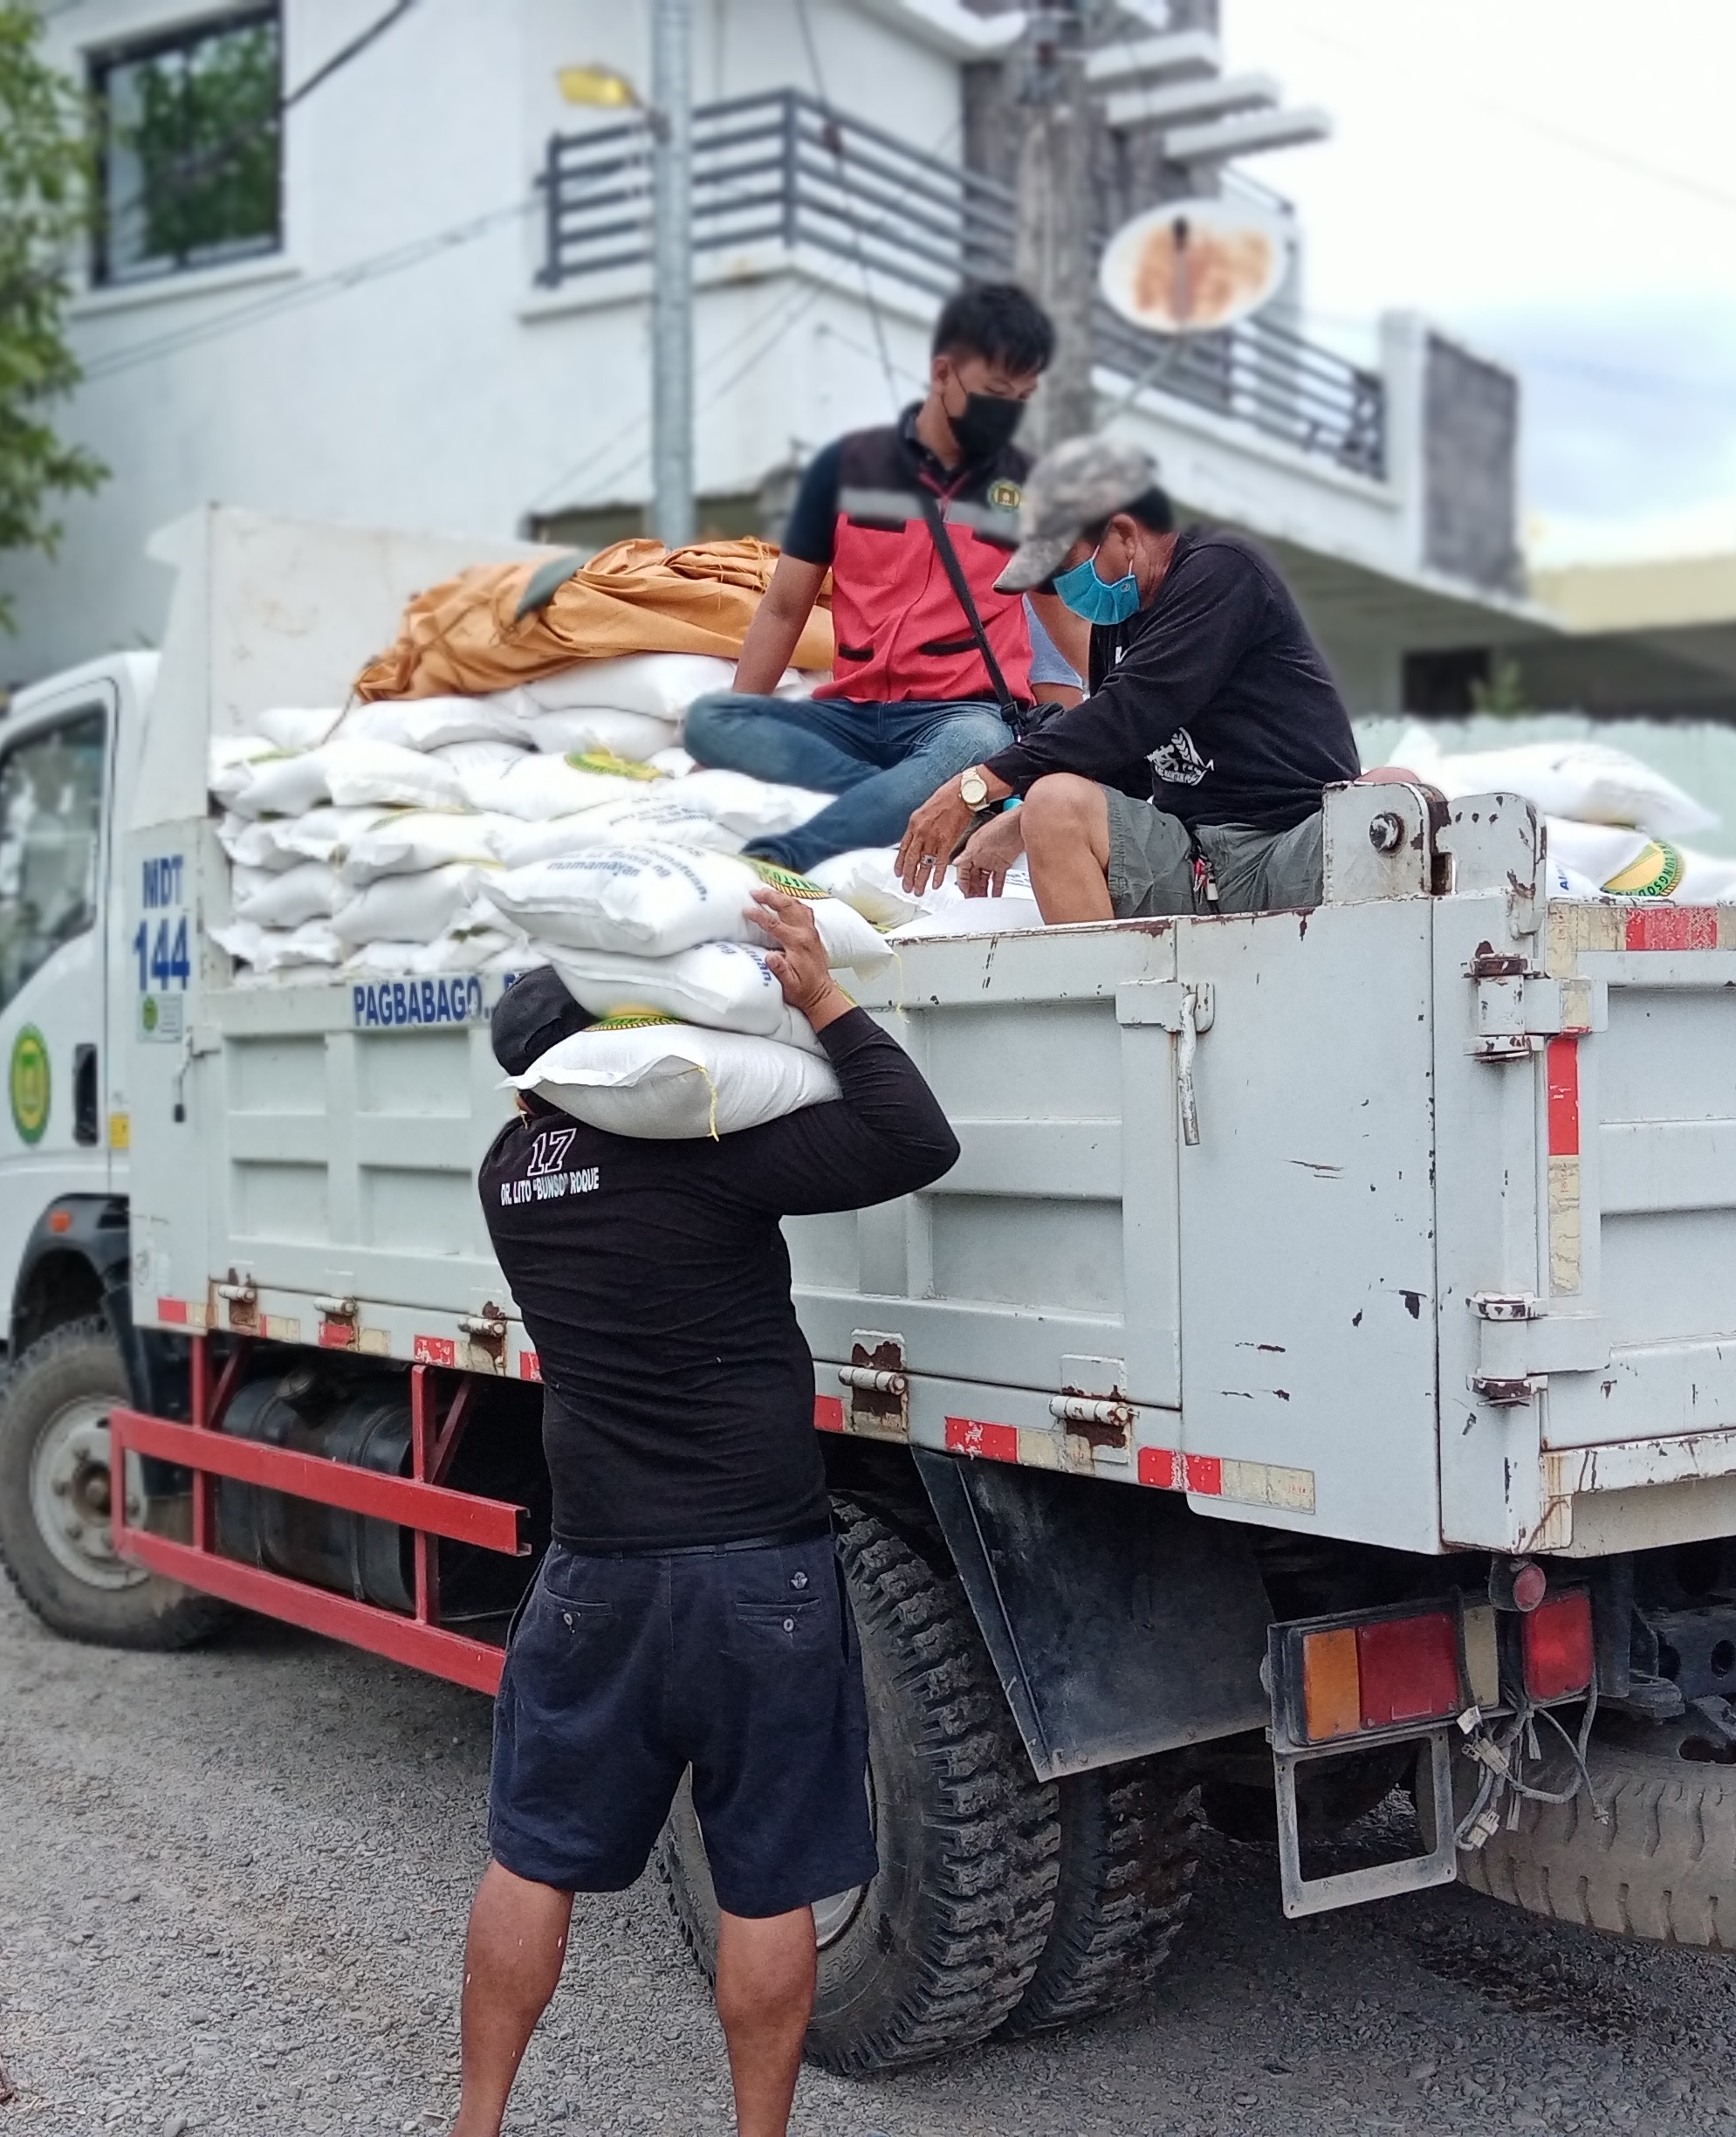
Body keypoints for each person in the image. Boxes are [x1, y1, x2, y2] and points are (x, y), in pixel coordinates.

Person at [449, 891, 961, 2137]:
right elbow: (913, 1139)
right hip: (758, 1573)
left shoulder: (508, 1174)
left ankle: (475, 2125)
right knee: (765, 1880)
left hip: (596, 1575)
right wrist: (823, 998)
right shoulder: (713, 1157)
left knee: (532, 1858)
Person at [682, 281, 1087, 874]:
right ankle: (900, 793)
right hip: (849, 714)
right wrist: (741, 721)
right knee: (709, 721)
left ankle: (790, 856)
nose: (1007, 410)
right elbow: (783, 610)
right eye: (994, 391)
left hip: (958, 717)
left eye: (1020, 395)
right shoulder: (844, 470)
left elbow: (1073, 629)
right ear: (943, 374)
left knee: (981, 746)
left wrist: (1128, 722)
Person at [893, 433, 1361, 921]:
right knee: (1054, 802)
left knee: (1394, 791)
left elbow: (1131, 712)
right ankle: (1102, 991)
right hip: (1193, 857)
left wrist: (975, 786)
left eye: (1060, 568)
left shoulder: (1224, 569)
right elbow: (1131, 761)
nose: (1057, 589)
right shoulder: (1121, 617)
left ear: (1123, 533)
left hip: (1288, 842)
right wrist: (1018, 824)